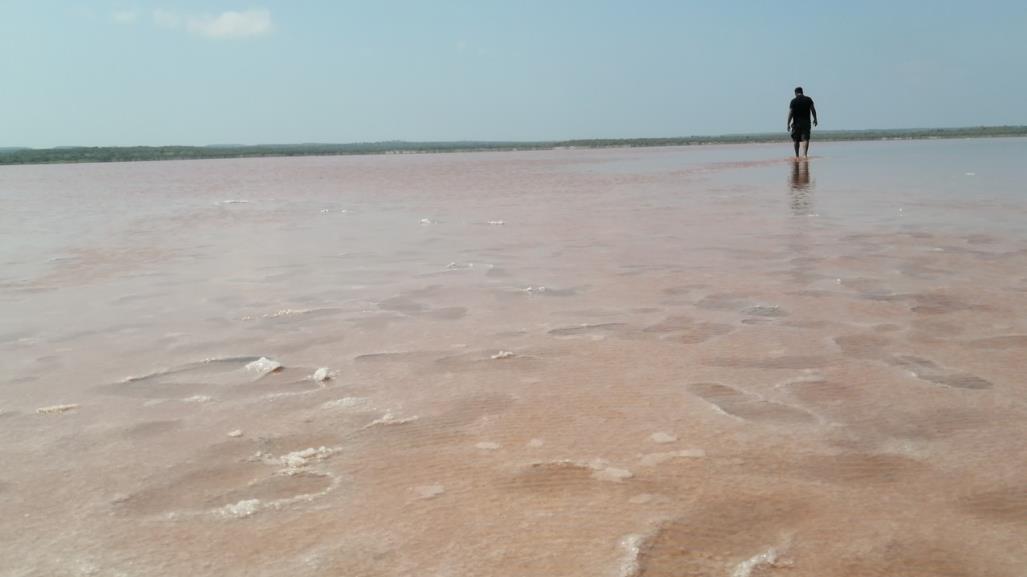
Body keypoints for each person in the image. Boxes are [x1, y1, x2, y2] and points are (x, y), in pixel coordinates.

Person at [787, 87, 818, 157]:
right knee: (805, 139)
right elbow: (813, 110)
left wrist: (788, 124)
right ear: (802, 92)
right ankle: (805, 155)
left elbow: (790, 113)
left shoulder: (793, 101)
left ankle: (797, 155)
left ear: (795, 93)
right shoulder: (808, 99)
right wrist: (815, 119)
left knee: (796, 140)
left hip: (796, 123)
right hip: (806, 122)